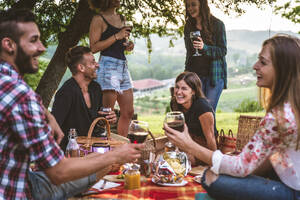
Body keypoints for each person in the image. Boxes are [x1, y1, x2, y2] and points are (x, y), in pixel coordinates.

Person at [0, 8, 143, 200]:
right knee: (102, 165)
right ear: (9, 44)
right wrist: (116, 156)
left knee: (98, 162)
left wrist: (45, 113)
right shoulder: (28, 96)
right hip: (20, 190)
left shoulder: (11, 84)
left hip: (27, 176)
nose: (42, 48)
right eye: (34, 40)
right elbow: (58, 172)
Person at [165, 34, 300, 200]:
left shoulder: (280, 115)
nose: (255, 66)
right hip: (284, 178)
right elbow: (268, 159)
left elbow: (240, 165)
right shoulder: (292, 107)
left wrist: (188, 145)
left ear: (282, 70)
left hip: (292, 192)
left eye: (263, 62)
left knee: (210, 177)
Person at [52, 46, 117, 152]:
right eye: (92, 62)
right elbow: (54, 128)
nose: (97, 65)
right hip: (71, 153)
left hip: (93, 149)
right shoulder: (66, 92)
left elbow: (97, 122)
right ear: (81, 68)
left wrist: (108, 119)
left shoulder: (96, 88)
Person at [89, 0, 134, 137]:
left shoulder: (122, 18)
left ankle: (123, 147)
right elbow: (93, 47)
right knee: (107, 114)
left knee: (128, 112)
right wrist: (117, 36)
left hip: (123, 66)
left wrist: (127, 45)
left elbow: (121, 43)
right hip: (107, 67)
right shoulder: (98, 19)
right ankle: (105, 149)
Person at [184, 0, 227, 112]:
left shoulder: (218, 24)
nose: (190, 8)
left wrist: (205, 48)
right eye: (188, 5)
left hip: (214, 77)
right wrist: (186, 75)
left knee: (208, 112)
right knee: (197, 113)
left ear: (202, 5)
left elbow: (222, 51)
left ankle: (212, 131)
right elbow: (189, 53)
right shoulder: (188, 26)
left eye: (193, 4)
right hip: (196, 77)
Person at [170, 72, 217, 153]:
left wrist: (213, 163)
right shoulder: (175, 103)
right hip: (186, 145)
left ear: (193, 91)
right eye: (177, 87)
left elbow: (211, 140)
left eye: (184, 88)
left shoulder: (202, 107)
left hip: (203, 149)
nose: (178, 92)